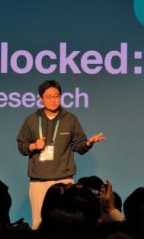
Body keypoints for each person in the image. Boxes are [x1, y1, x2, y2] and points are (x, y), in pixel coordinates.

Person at [16, 79, 105, 229]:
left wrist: (88, 143)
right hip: (38, 181)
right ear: (40, 99)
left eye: (56, 96)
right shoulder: (32, 120)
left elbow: (79, 145)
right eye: (49, 96)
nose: (53, 100)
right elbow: (21, 145)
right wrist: (33, 146)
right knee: (38, 223)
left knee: (67, 223)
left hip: (64, 179)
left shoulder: (70, 119)